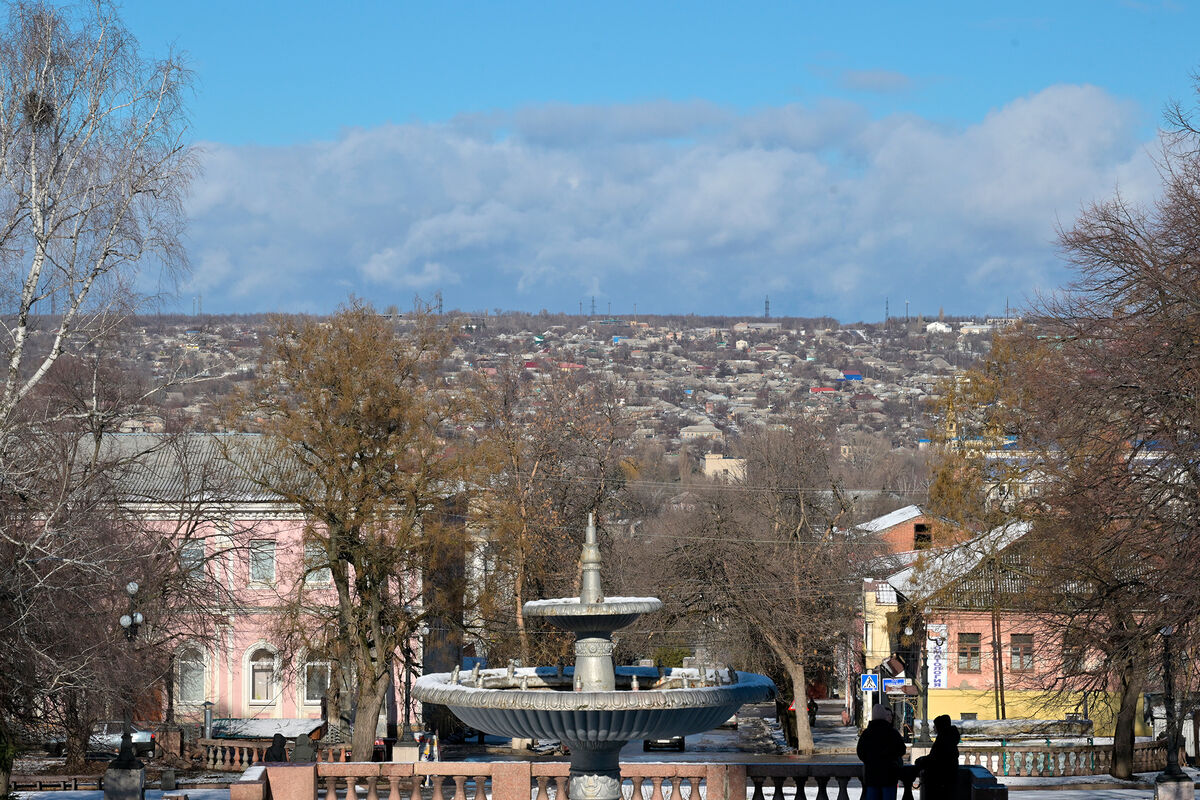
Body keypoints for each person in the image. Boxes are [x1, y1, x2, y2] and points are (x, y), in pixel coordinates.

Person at [857, 704, 906, 800]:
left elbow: (860, 752)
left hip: (872, 776)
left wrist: (870, 761)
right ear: (884, 716)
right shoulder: (892, 733)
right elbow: (901, 750)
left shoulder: (867, 734)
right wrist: (891, 758)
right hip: (889, 776)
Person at [914, 714, 961, 799]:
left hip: (940, 781)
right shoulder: (949, 739)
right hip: (947, 780)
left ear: (940, 727)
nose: (934, 728)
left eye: (935, 726)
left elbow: (936, 758)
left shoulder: (943, 740)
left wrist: (921, 761)